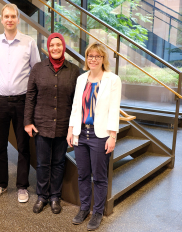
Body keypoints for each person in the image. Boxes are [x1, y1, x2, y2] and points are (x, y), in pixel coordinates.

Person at [0, 3, 40, 203]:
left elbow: (35, 72)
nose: (9, 19)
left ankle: (22, 187)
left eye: (13, 16)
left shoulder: (29, 42)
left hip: (22, 102)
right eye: (6, 16)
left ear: (18, 19)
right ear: (2, 19)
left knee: (23, 146)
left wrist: (32, 102)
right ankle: (1, 184)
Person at [67, 42, 121, 230]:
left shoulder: (112, 80)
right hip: (81, 134)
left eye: (97, 56)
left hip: (100, 135)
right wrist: (71, 129)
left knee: (99, 176)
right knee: (82, 174)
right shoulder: (82, 79)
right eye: (90, 56)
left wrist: (112, 136)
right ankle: (84, 209)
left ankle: (97, 212)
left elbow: (114, 109)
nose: (93, 59)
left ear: (103, 59)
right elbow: (75, 106)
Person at [24, 33, 80, 214]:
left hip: (64, 125)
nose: (55, 48)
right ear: (48, 48)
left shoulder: (73, 70)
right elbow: (30, 97)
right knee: (42, 163)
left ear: (63, 47)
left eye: (59, 45)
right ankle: (42, 196)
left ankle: (55, 196)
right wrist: (28, 122)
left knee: (58, 162)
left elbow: (77, 102)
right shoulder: (38, 68)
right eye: (52, 45)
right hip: (41, 124)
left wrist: (74, 127)